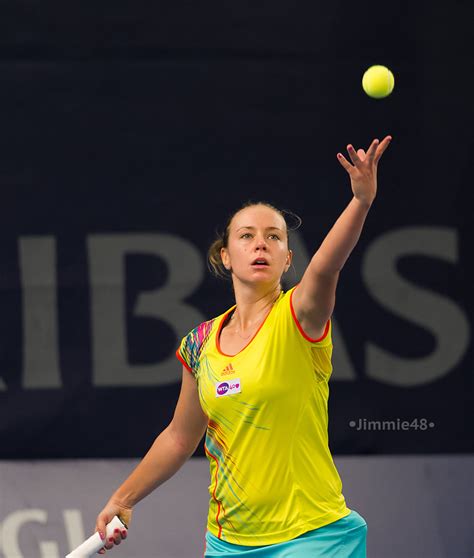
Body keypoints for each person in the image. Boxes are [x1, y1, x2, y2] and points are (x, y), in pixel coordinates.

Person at [94, 135, 392, 556]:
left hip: (313, 536)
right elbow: (180, 438)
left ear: (288, 259)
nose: (260, 244)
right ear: (226, 256)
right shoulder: (199, 345)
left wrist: (360, 201)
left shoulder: (300, 315)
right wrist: (122, 499)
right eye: (247, 236)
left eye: (274, 237)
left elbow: (327, 266)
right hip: (228, 542)